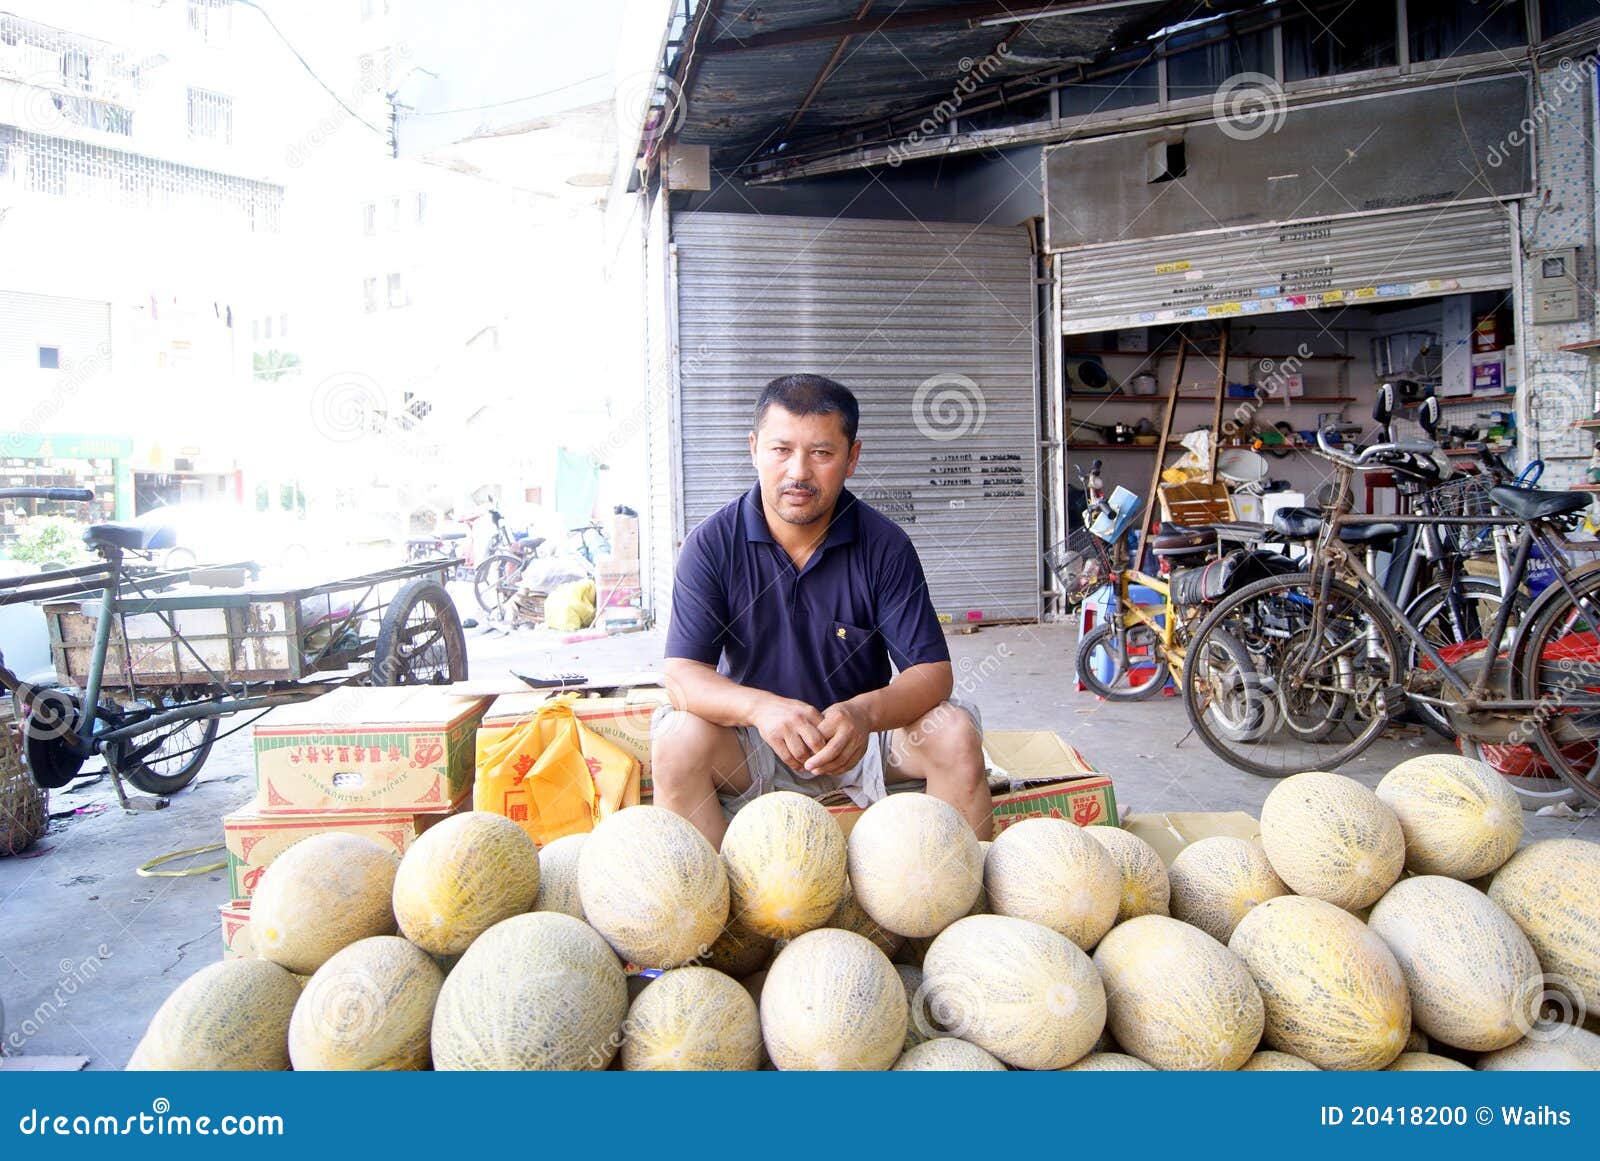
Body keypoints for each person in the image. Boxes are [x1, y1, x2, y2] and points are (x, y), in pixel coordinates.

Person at [651, 374, 990, 849]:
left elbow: (932, 674)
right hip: (753, 744)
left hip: (864, 742)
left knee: (953, 731)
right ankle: (704, 893)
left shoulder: (884, 545)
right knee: (676, 738)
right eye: (781, 450)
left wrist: (863, 714)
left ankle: (958, 890)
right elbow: (682, 676)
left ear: (852, 458)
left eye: (822, 453)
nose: (799, 472)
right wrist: (760, 708)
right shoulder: (711, 545)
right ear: (754, 449)